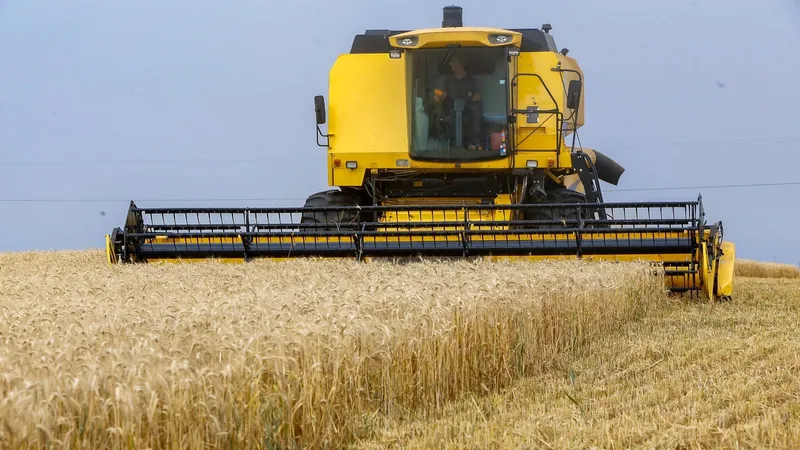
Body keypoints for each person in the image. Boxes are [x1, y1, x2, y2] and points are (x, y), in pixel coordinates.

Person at [432, 55, 484, 150]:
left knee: (475, 111)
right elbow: (441, 94)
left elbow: (478, 95)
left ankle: (473, 142)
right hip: (450, 105)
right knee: (447, 115)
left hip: (468, 105)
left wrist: (474, 97)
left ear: (462, 64)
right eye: (452, 65)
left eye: (456, 64)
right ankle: (453, 143)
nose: (454, 67)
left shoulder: (471, 80)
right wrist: (438, 97)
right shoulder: (447, 80)